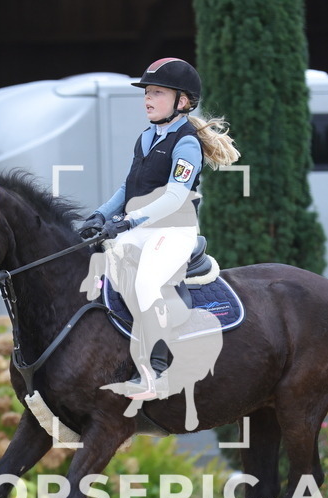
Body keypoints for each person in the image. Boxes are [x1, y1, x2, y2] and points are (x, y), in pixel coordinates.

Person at [79, 57, 240, 399]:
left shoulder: (187, 143)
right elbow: (127, 188)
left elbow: (174, 196)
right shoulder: (147, 137)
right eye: (146, 92)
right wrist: (99, 216)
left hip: (173, 231)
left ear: (182, 101)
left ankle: (158, 373)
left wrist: (128, 221)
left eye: (157, 93)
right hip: (140, 229)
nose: (147, 99)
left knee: (147, 281)